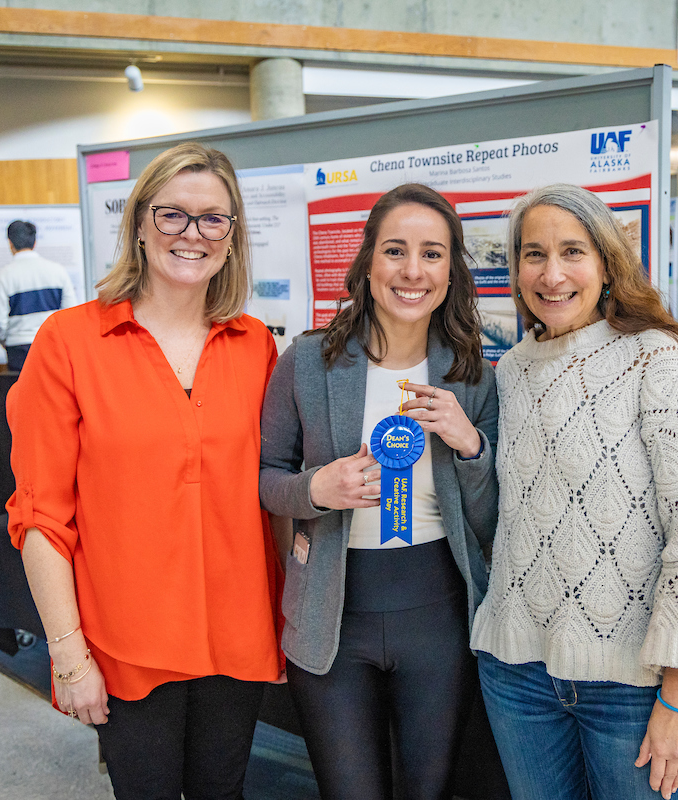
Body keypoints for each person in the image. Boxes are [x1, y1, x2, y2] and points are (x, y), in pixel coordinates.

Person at [6, 142, 283, 800]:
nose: (193, 235)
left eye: (213, 219)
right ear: (138, 222)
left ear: (232, 235)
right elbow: (42, 515)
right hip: (127, 645)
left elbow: (272, 489)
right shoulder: (69, 344)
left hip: (238, 642)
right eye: (173, 215)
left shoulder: (256, 345)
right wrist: (68, 654)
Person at [471, 184, 678, 800]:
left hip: (632, 686)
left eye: (572, 251)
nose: (552, 273)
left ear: (607, 263)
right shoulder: (510, 371)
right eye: (533, 254)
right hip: (515, 673)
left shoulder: (655, 358)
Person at [259, 183, 499, 800]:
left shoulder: (472, 371)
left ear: (452, 270)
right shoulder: (308, 361)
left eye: (432, 254)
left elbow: (493, 516)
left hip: (439, 616)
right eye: (395, 250)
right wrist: (318, 487)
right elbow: (264, 481)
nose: (412, 270)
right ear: (367, 261)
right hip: (334, 618)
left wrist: (470, 446)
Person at [0, 219, 79, 372]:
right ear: (34, 242)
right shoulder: (57, 270)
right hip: (53, 344)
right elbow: (70, 312)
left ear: (10, 243)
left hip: (18, 348)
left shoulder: (3, 275)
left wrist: (7, 340)